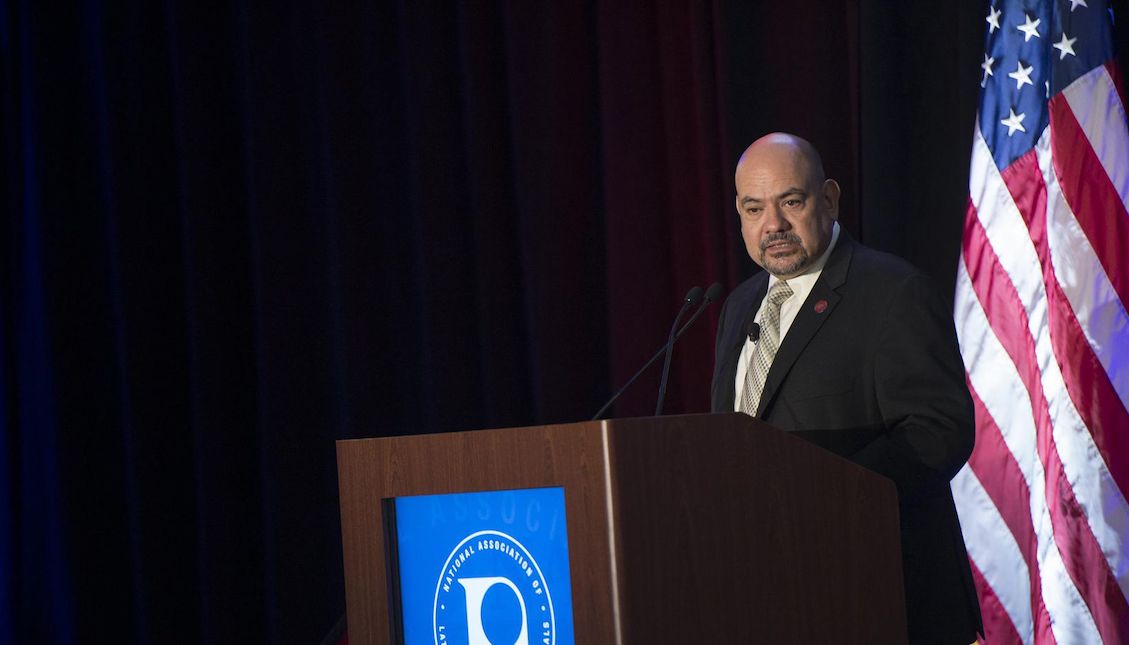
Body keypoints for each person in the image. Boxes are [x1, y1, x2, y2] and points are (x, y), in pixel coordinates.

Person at [711, 133, 982, 644]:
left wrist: (821, 502)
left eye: (791, 201)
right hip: (774, 599)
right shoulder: (738, 307)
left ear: (829, 198)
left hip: (884, 598)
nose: (774, 225)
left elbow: (939, 431)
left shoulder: (891, 291)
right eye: (754, 208)